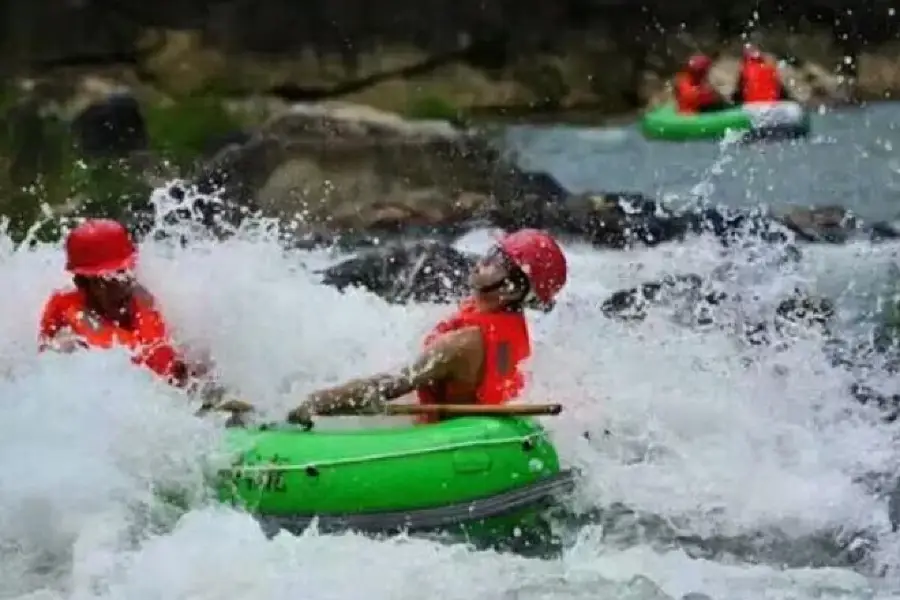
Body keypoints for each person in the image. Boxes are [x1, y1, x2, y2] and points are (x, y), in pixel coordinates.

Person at [285, 229, 568, 426]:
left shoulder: (461, 345)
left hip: (451, 444)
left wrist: (315, 402)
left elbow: (388, 386)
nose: (481, 262)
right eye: (491, 252)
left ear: (511, 289)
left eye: (497, 262)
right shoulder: (509, 325)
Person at [38, 218, 198, 388]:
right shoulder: (67, 329)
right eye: (108, 279)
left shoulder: (146, 301)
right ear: (82, 283)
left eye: (123, 273)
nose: (121, 285)